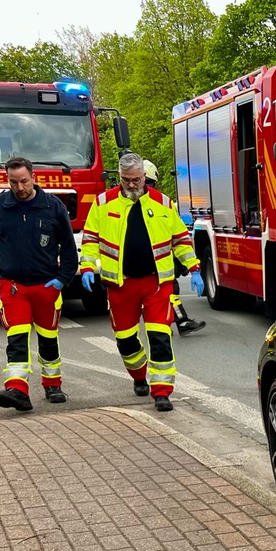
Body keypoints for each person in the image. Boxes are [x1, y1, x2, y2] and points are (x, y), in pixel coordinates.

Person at [78, 152, 203, 412]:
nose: (132, 185)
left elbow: (180, 240)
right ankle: (138, 375)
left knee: (160, 336)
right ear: (120, 178)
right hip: (120, 286)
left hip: (156, 283)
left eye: (136, 179)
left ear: (144, 177)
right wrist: (87, 266)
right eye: (126, 180)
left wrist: (195, 267)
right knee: (126, 340)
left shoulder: (162, 203)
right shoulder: (103, 203)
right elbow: (90, 240)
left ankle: (162, 391)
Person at [0, 157, 77, 411]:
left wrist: (63, 278)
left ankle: (52, 384)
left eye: (23, 181)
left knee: (48, 338)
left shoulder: (52, 206)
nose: (19, 188)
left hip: (46, 285)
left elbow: (68, 246)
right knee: (17, 337)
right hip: (14, 286)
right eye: (13, 182)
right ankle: (16, 388)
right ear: (7, 180)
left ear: (33, 177)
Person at [142, 160, 205, 335]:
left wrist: (192, 267)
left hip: (161, 263)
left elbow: (177, 237)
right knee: (167, 291)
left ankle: (179, 321)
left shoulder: (162, 204)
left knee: (170, 289)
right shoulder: (159, 204)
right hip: (149, 266)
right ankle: (179, 321)